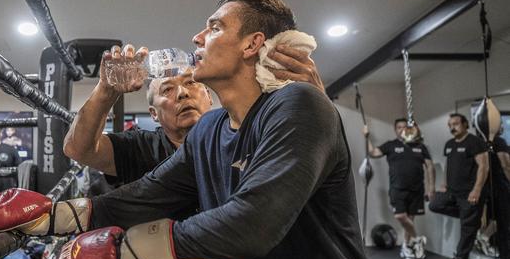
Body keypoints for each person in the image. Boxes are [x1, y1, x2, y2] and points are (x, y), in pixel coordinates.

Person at [0, 0, 398, 259]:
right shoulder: (211, 131)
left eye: (214, 27)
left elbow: (254, 223)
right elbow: (149, 193)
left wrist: (120, 256)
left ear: (253, 44)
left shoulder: (297, 105)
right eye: (168, 89)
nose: (197, 37)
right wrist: (52, 217)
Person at [63, 42, 324, 187]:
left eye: (191, 84)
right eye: (167, 89)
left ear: (209, 98)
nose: (182, 94)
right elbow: (79, 149)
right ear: (153, 114)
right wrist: (105, 91)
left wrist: (316, 102)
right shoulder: (142, 146)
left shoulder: (242, 131)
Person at [364, 119, 435, 259]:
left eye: (404, 127)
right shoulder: (391, 145)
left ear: (409, 129)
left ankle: (406, 246)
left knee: (410, 219)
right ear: (395, 130)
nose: (402, 129)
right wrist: (367, 137)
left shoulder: (420, 146)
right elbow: (373, 153)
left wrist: (431, 188)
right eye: (399, 127)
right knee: (400, 216)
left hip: (417, 189)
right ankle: (416, 239)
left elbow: (430, 167)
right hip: (398, 189)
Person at [429, 113, 488, 259]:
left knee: (467, 227)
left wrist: (476, 190)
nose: (452, 127)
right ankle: (472, 218)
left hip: (469, 193)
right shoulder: (449, 144)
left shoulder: (475, 142)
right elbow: (449, 164)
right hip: (452, 192)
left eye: (455, 124)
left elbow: (483, 166)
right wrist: (445, 184)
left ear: (465, 124)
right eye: (450, 125)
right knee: (434, 204)